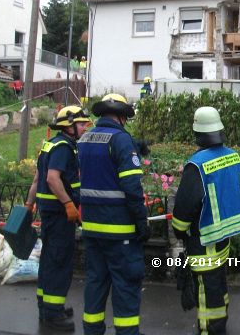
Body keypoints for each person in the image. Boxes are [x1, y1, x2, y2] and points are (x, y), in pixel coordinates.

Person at [77, 93, 149, 335]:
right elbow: (131, 187)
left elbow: (100, 164)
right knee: (126, 285)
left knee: (96, 282)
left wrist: (135, 145)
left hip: (91, 229)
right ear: (121, 116)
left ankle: (92, 330)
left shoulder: (86, 138)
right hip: (120, 232)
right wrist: (142, 222)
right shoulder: (121, 140)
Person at [171, 106, 240, 335]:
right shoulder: (234, 156)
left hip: (204, 240)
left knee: (205, 289)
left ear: (198, 133)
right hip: (225, 236)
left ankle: (209, 330)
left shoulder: (197, 164)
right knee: (218, 284)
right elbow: (239, 188)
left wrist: (179, 230)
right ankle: (220, 323)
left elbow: (185, 207)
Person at [24, 105, 91, 331]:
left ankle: (46, 306)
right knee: (60, 260)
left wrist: (28, 205)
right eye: (81, 124)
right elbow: (53, 179)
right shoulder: (63, 147)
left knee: (49, 258)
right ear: (69, 126)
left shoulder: (50, 145)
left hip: (49, 212)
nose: (84, 127)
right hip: (59, 213)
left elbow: (37, 180)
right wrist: (69, 204)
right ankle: (54, 314)